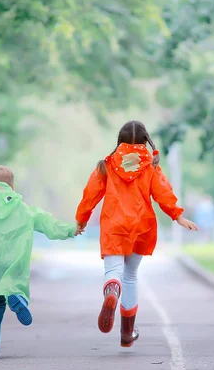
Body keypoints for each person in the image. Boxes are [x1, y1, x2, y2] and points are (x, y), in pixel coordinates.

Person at [75, 120, 197, 348]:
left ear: (119, 140)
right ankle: (126, 333)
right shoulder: (151, 167)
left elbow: (90, 194)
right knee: (130, 276)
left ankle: (112, 290)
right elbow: (164, 194)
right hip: (141, 226)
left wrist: (81, 219)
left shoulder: (107, 165)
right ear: (145, 141)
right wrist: (178, 216)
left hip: (113, 225)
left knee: (114, 272)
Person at [0, 165, 80, 357]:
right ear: (12, 187)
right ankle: (17, 298)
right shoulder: (24, 209)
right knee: (14, 286)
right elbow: (48, 223)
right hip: (14, 261)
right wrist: (71, 229)